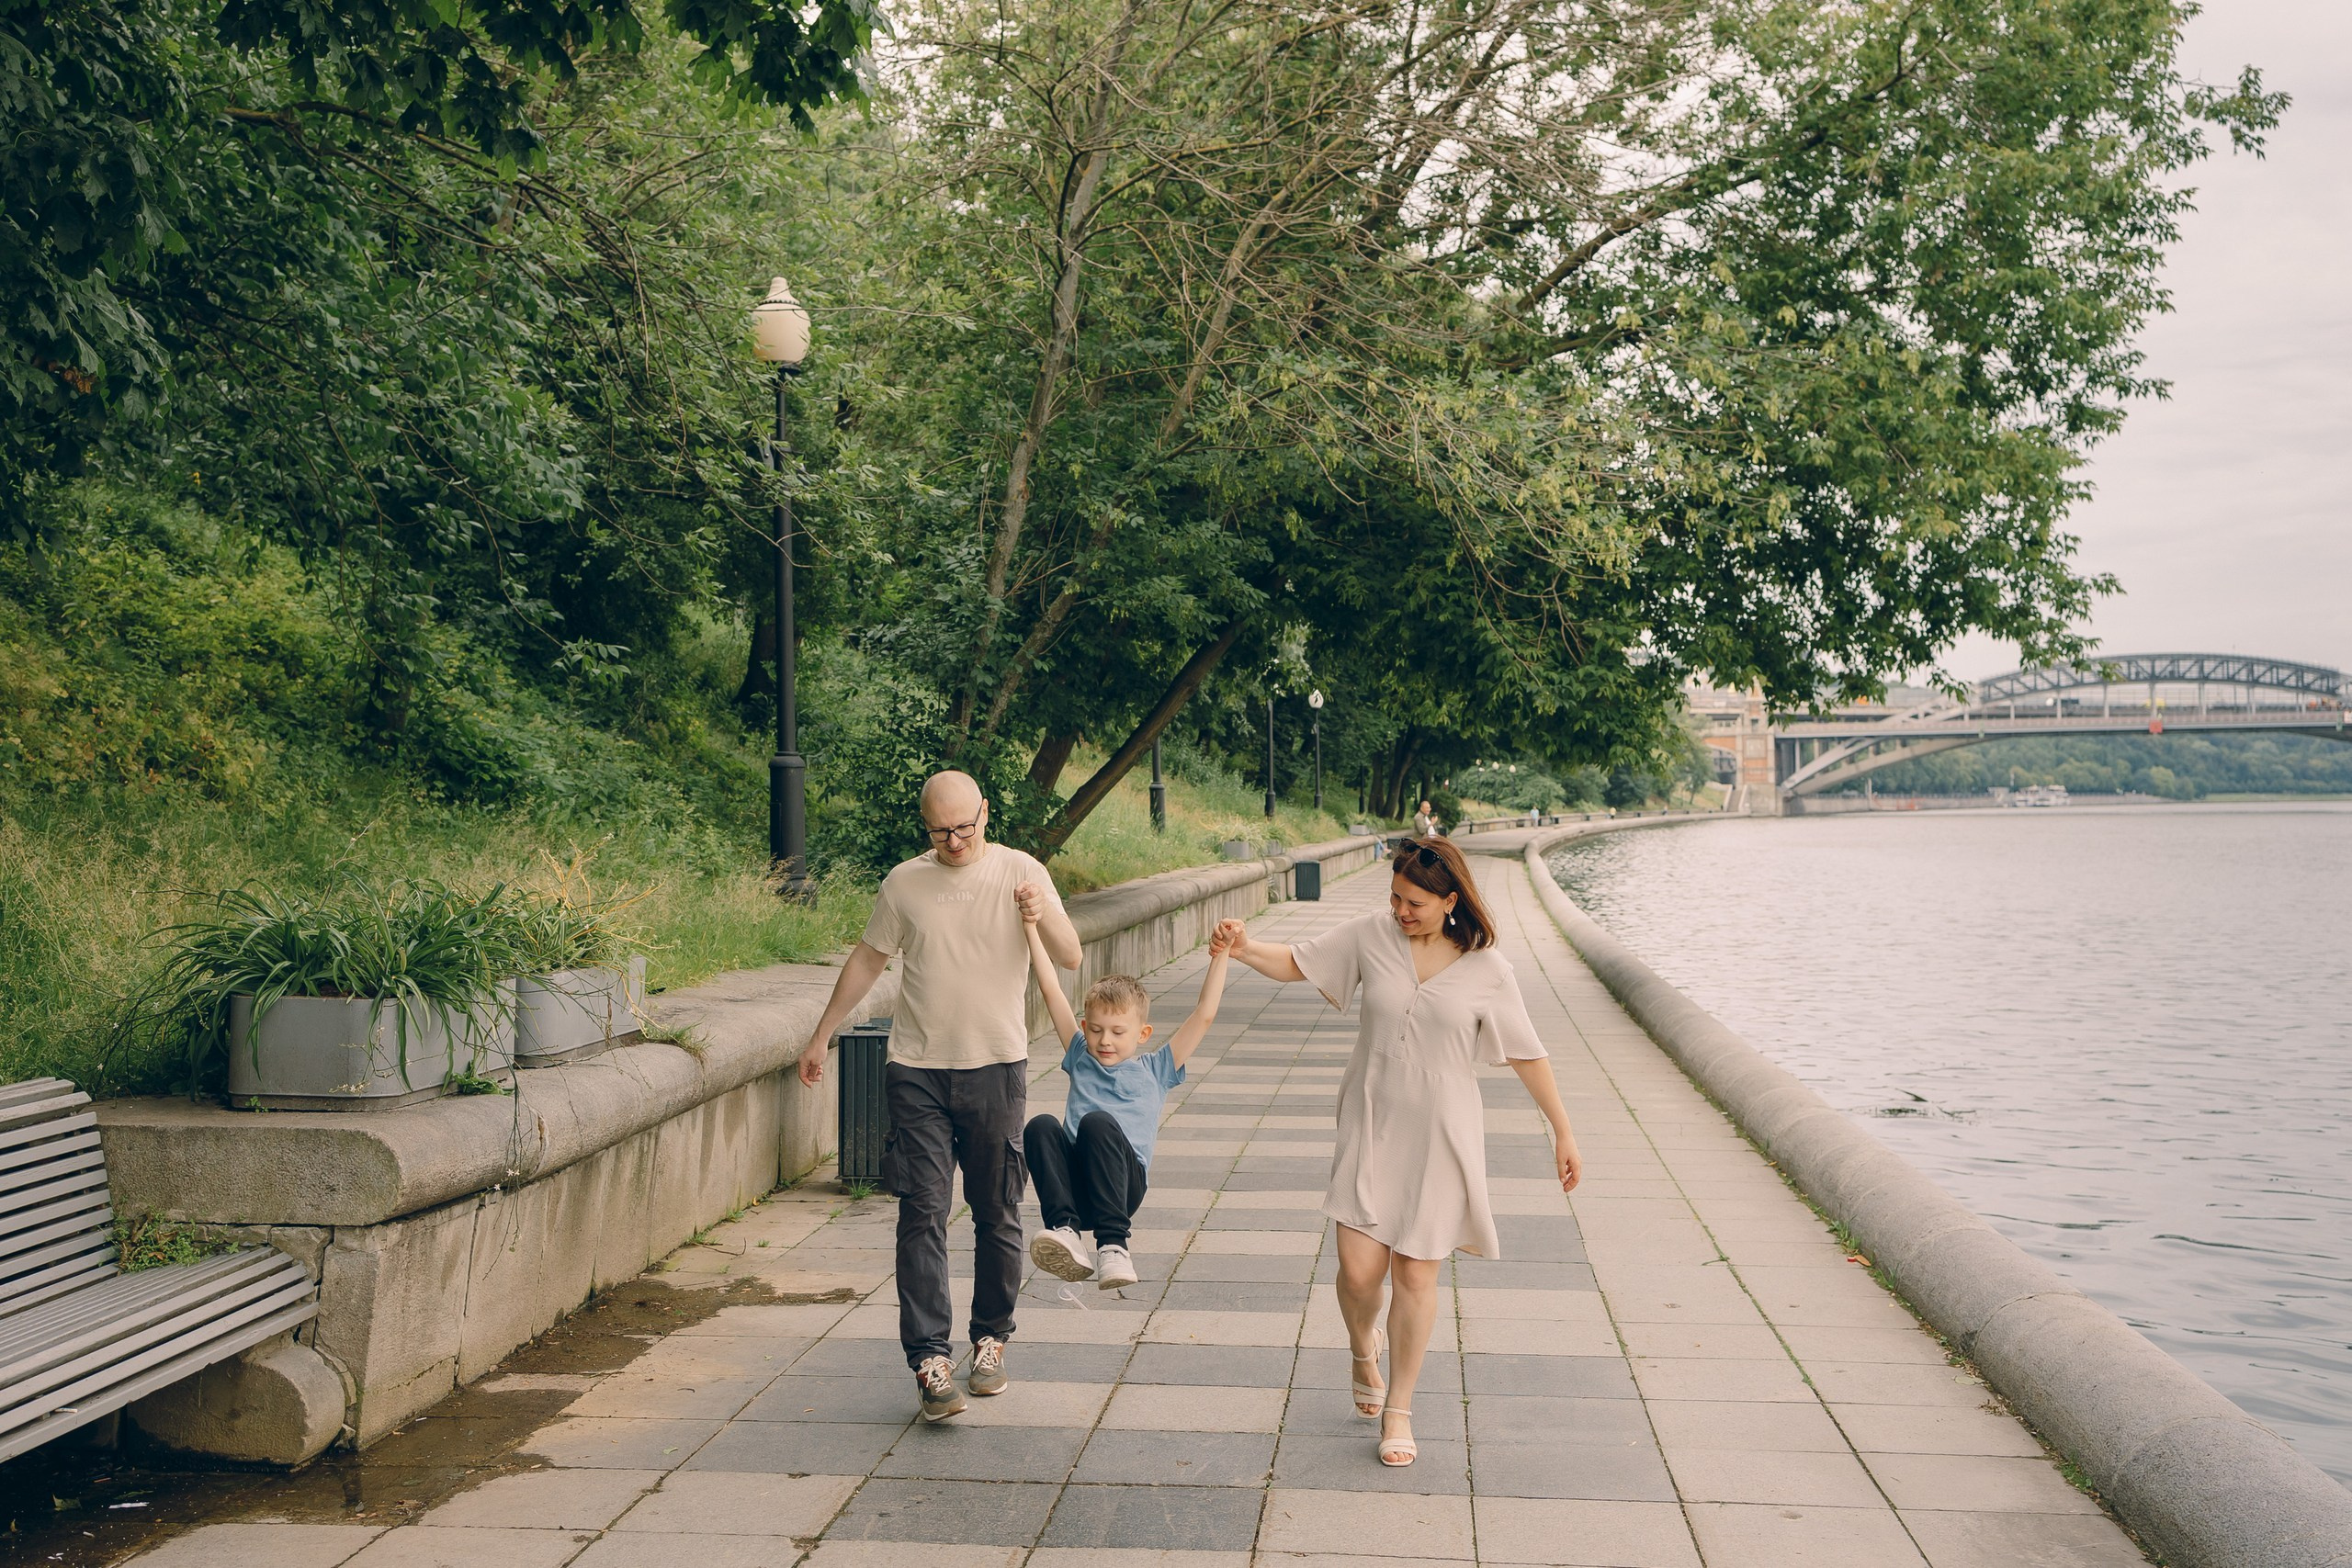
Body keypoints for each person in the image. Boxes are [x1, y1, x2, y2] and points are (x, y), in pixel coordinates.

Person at [1216, 837, 1583, 1467]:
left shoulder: (1488, 968)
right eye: (1395, 898)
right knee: (1359, 1272)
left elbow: (1527, 1052)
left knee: (1416, 1273)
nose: (1401, 911)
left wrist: (1563, 1130)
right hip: (1372, 1121)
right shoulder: (1372, 935)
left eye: (1414, 902)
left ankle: (1400, 1410)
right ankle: (1364, 1345)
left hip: (1442, 1134)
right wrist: (1244, 947)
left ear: (1450, 901)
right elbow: (1299, 962)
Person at [795, 770, 1081, 1423]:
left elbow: (1070, 955)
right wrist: (822, 1034)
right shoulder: (904, 882)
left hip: (996, 1066)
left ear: (986, 812)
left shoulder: (1020, 870)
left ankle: (990, 1339)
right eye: (939, 831)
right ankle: (929, 1358)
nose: (953, 842)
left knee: (996, 1209)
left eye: (964, 828)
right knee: (921, 1210)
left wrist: (1037, 913)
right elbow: (868, 959)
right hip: (917, 1069)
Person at [1020, 908, 1235, 1288]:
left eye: (1118, 1032)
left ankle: (1114, 1247)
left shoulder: (1157, 1068)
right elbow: (1051, 990)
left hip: (1121, 1187)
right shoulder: (1081, 1055)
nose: (1105, 1041)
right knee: (1040, 1126)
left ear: (1142, 1034)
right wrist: (1030, 927)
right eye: (1096, 1030)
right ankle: (1065, 1229)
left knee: (1096, 1122)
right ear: (1084, 1027)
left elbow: (1205, 1014)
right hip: (1075, 1185)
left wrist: (1223, 952)